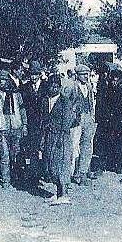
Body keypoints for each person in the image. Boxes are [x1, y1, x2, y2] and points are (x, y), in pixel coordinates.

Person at [41, 76, 74, 205]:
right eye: (51, 86)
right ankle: (58, 192)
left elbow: (67, 121)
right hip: (50, 136)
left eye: (56, 86)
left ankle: (64, 194)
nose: (53, 88)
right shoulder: (45, 101)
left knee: (62, 165)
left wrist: (61, 137)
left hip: (61, 137)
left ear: (59, 88)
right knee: (52, 164)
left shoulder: (65, 102)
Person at [92, 64, 122, 176]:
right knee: (104, 144)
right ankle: (102, 166)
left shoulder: (121, 91)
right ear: (110, 79)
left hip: (119, 123)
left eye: (117, 80)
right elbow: (100, 106)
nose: (115, 82)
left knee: (119, 145)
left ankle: (118, 165)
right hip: (106, 122)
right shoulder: (104, 90)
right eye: (113, 80)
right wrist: (100, 120)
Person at [0, 70, 26, 189]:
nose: (1, 82)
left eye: (3, 80)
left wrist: (24, 124)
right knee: (4, 155)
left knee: (15, 154)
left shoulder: (16, 94)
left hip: (16, 127)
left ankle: (16, 177)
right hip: (2, 129)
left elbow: (22, 110)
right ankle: (6, 181)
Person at [20, 60, 47, 188]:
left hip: (45, 123)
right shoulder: (24, 88)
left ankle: (45, 174)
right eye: (31, 74)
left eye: (36, 74)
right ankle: (34, 176)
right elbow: (23, 107)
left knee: (46, 149)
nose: (34, 77)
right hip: (31, 124)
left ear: (40, 74)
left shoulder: (47, 86)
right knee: (33, 151)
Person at [71, 63, 97, 185]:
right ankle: (74, 173)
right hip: (76, 120)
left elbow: (91, 103)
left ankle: (83, 172)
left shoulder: (89, 87)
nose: (86, 77)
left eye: (87, 74)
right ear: (77, 75)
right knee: (75, 146)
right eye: (83, 74)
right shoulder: (72, 87)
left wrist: (92, 117)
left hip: (88, 118)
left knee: (87, 145)